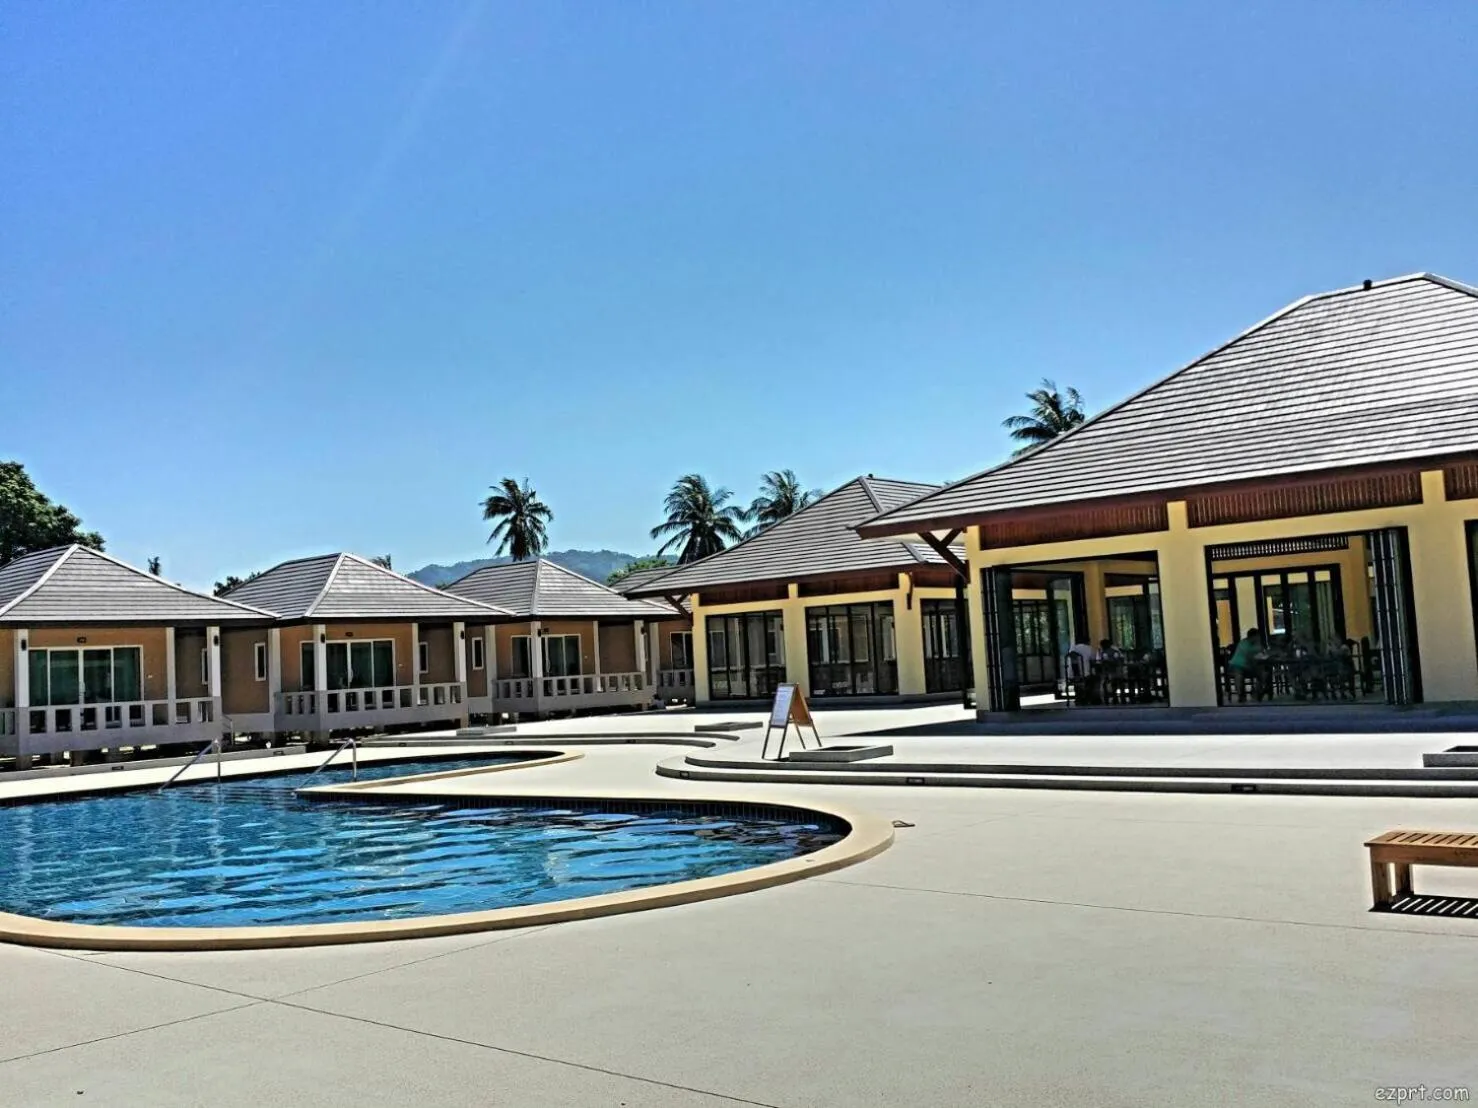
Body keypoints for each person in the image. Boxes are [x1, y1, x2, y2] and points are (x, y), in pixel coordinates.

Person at [1227, 627, 1267, 701]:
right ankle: (1241, 695)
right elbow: (1249, 657)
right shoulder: (1243, 644)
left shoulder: (1256, 644)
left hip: (1249, 667)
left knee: (1263, 673)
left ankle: (1257, 692)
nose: (1258, 638)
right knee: (1238, 674)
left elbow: (1262, 652)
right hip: (1237, 666)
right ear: (1253, 636)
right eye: (1257, 636)